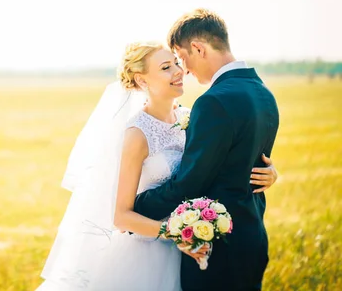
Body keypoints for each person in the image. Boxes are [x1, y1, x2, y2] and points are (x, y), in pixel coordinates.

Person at [38, 17, 278, 290]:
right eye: (167, 67)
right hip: (152, 250)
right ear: (142, 79)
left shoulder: (191, 116)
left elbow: (221, 158)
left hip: (190, 246)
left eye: (177, 62)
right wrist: (175, 232)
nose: (180, 71)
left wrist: (267, 171)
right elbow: (122, 216)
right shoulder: (137, 134)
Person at [134, 8, 279, 290]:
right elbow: (246, 159)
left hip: (217, 249)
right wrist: (271, 172)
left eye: (183, 58)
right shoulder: (263, 93)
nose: (183, 70)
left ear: (198, 48)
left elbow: (189, 184)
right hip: (252, 238)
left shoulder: (214, 102)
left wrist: (134, 208)